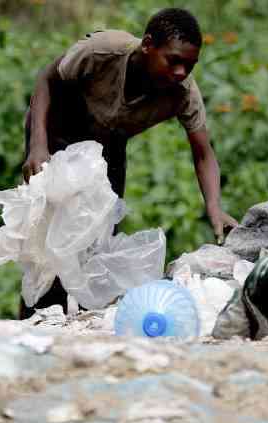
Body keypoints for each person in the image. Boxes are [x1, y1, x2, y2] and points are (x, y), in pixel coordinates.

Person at [20, 7, 237, 319]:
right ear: (148, 45)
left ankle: (81, 325)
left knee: (98, 240)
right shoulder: (103, 51)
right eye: (173, 60)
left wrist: (214, 206)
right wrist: (38, 146)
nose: (180, 72)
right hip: (57, 133)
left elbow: (203, 152)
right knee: (49, 243)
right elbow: (47, 79)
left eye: (189, 65)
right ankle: (33, 323)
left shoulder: (183, 93)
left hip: (109, 145)